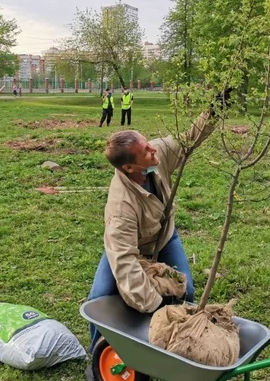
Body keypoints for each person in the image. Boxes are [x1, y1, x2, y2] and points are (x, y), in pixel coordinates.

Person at [86, 109, 216, 360]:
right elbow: (123, 259)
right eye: (146, 150)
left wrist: (213, 111)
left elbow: (188, 137)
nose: (153, 150)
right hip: (132, 248)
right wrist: (155, 304)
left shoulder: (156, 154)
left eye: (149, 144)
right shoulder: (120, 207)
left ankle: (178, 347)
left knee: (185, 289)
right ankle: (97, 355)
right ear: (130, 167)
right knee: (100, 298)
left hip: (164, 236)